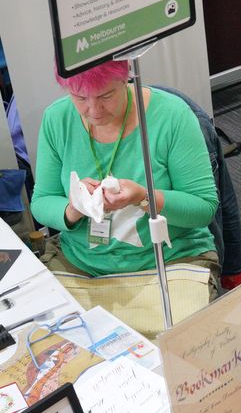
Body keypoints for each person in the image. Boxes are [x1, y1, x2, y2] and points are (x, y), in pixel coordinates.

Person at [30, 60, 219, 284]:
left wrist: (143, 197)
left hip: (169, 259)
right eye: (80, 98)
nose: (93, 110)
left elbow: (203, 208)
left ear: (126, 78)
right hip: (81, 262)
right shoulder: (57, 119)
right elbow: (41, 201)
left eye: (106, 96)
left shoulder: (172, 116)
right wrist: (74, 209)